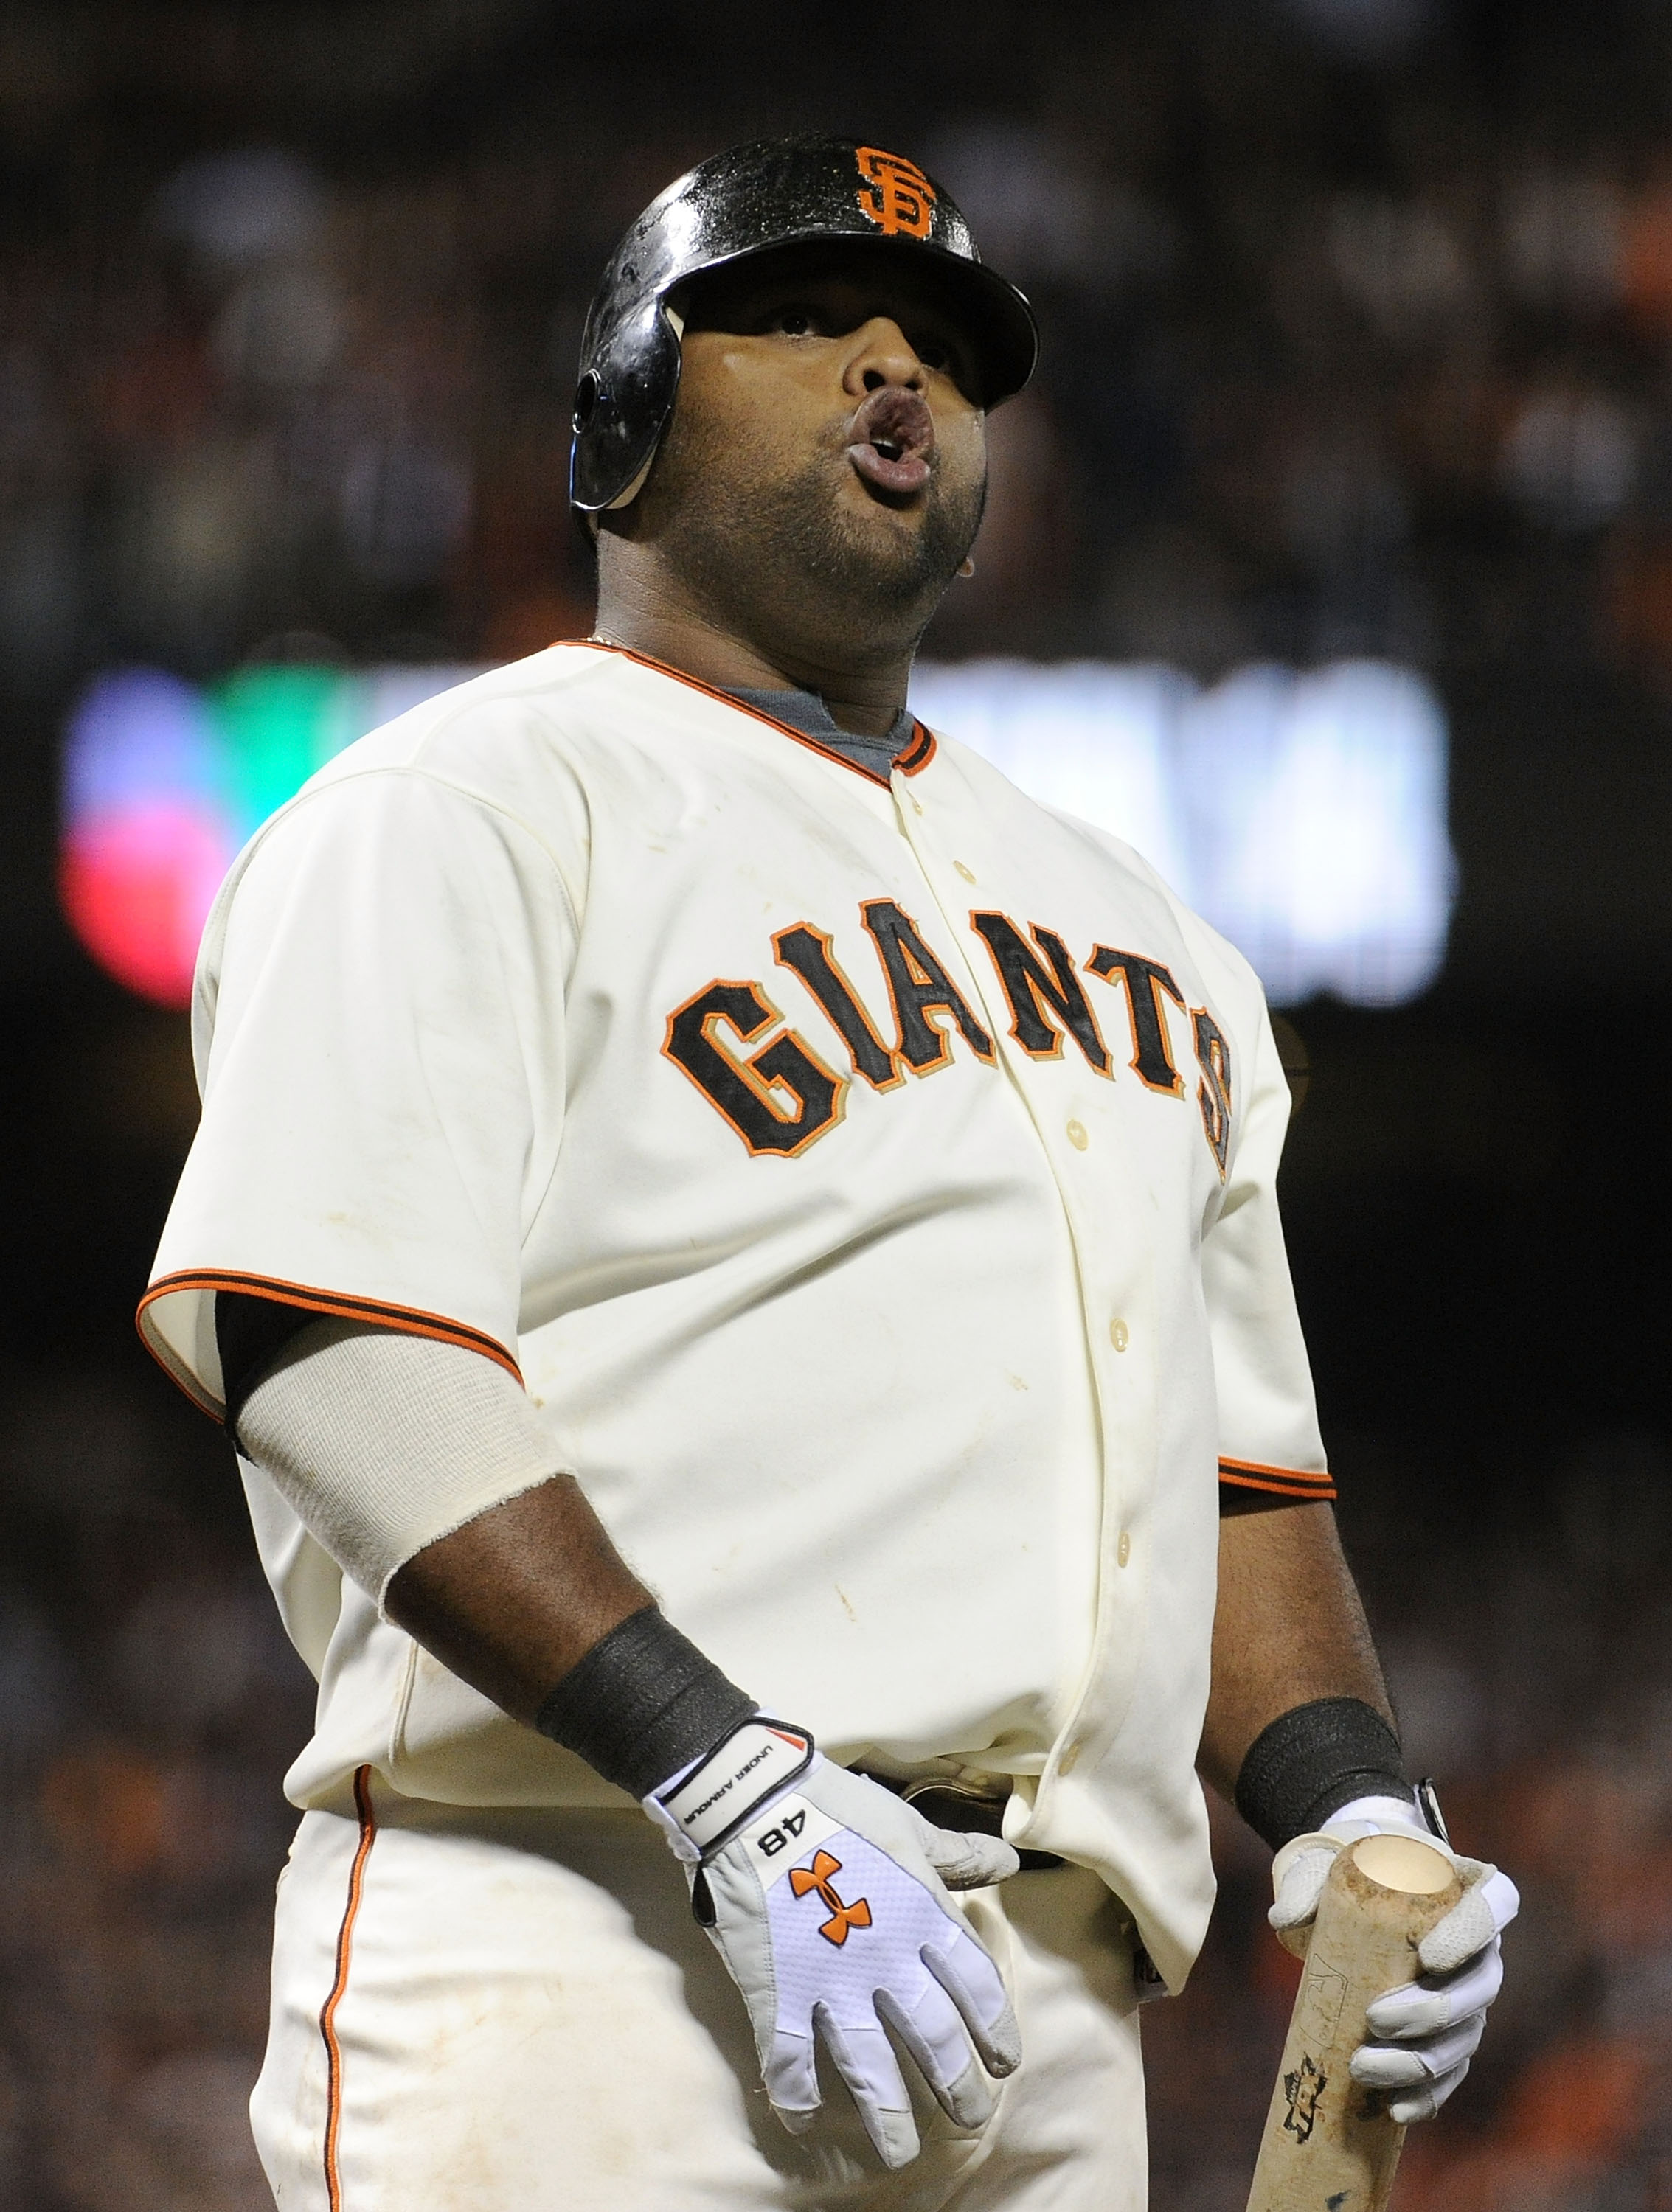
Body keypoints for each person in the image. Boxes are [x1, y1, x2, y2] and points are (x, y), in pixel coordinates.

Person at [140, 137, 1516, 2212]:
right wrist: (722, 1777)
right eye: (801, 320)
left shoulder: (1146, 927)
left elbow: (1225, 1468)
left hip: (1055, 2002)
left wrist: (1339, 1808)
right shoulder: (459, 803)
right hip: (587, 1921)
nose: (894, 371)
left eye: (948, 356)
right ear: (620, 409)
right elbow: (322, 1331)